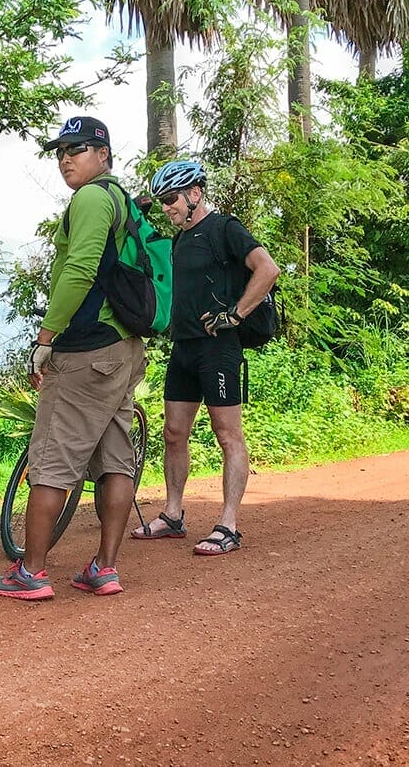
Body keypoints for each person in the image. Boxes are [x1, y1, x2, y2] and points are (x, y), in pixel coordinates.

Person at [0, 116, 146, 600]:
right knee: (116, 460)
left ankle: (31, 572)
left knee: (53, 459)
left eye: (76, 149)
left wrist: (45, 337)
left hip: (86, 351)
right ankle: (104, 568)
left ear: (103, 154)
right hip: (123, 348)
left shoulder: (93, 197)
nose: (65, 159)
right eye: (60, 151)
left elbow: (79, 269)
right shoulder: (122, 199)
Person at [130, 160, 280, 555]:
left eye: (171, 199)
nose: (167, 207)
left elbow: (268, 269)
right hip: (184, 347)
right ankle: (173, 515)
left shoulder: (225, 228)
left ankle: (228, 525)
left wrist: (236, 315)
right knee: (173, 433)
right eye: (162, 201)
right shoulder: (180, 239)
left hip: (218, 349)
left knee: (227, 434)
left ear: (195, 193)